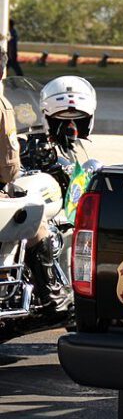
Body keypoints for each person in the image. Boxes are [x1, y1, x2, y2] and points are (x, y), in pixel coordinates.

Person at [0, 47, 69, 315]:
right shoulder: (2, 105)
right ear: (2, 71)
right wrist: (13, 176)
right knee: (35, 216)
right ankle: (52, 295)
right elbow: (8, 165)